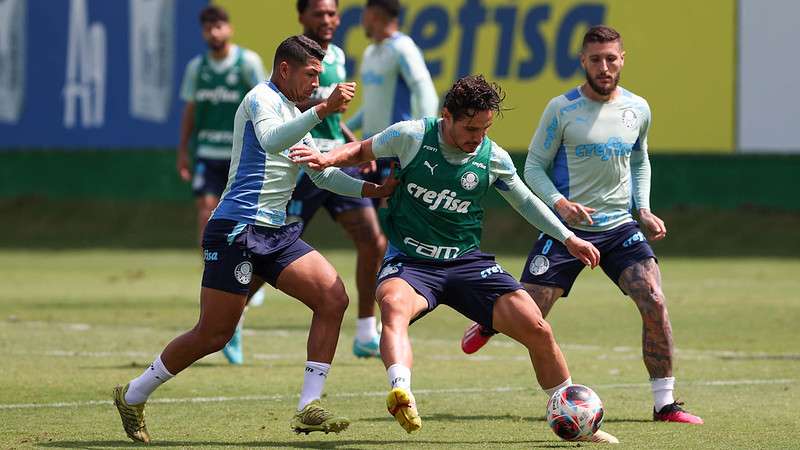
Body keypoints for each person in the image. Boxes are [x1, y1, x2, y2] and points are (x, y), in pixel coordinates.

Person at [290, 75, 618, 443]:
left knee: (537, 328)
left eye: (485, 128)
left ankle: (576, 416)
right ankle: (402, 392)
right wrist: (325, 158)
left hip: (467, 263)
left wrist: (568, 237)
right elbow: (360, 151)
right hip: (412, 262)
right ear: (447, 115)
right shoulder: (412, 135)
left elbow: (525, 201)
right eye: (470, 127)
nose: (477, 136)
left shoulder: (492, 157)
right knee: (393, 309)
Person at [112, 35, 397, 443]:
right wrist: (321, 110)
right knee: (213, 334)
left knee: (333, 297)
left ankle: (308, 407)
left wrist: (375, 190)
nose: (316, 83)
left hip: (276, 232)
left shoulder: (294, 110)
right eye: (311, 74)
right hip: (236, 228)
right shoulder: (260, 100)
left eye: (320, 75)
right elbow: (270, 141)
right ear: (285, 69)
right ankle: (134, 393)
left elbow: (319, 171)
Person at [459, 25, 704, 425]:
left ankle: (665, 404)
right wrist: (559, 204)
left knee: (655, 301)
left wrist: (642, 208)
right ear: (583, 62)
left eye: (611, 58)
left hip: (620, 227)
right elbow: (533, 166)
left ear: (622, 58)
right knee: (530, 312)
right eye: (595, 59)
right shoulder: (562, 109)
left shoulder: (637, 109)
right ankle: (490, 321)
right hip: (568, 230)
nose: (604, 67)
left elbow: (640, 160)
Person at [282, 0, 387, 358]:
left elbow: (331, 119)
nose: (326, 20)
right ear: (302, 17)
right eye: (318, 13)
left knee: (373, 242)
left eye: (331, 13)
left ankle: (364, 333)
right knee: (274, 251)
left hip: (337, 160)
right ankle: (234, 320)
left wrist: (354, 143)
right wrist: (325, 104)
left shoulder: (339, 56)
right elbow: (283, 109)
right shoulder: (293, 57)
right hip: (304, 163)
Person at [176, 5, 267, 365]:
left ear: (229, 27)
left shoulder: (247, 63)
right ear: (203, 32)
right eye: (208, 27)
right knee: (205, 217)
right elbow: (190, 110)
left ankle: (239, 289)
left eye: (220, 24)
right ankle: (219, 282)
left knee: (246, 225)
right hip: (208, 156)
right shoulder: (197, 69)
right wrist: (183, 151)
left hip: (238, 158)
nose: (215, 32)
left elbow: (266, 105)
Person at [346, 0, 439, 182]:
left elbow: (427, 94)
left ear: (373, 15)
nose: (361, 21)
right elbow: (373, 106)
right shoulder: (369, 52)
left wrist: (426, 142)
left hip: (396, 149)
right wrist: (342, 129)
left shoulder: (403, 49)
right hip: (370, 151)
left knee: (388, 209)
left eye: (364, 14)